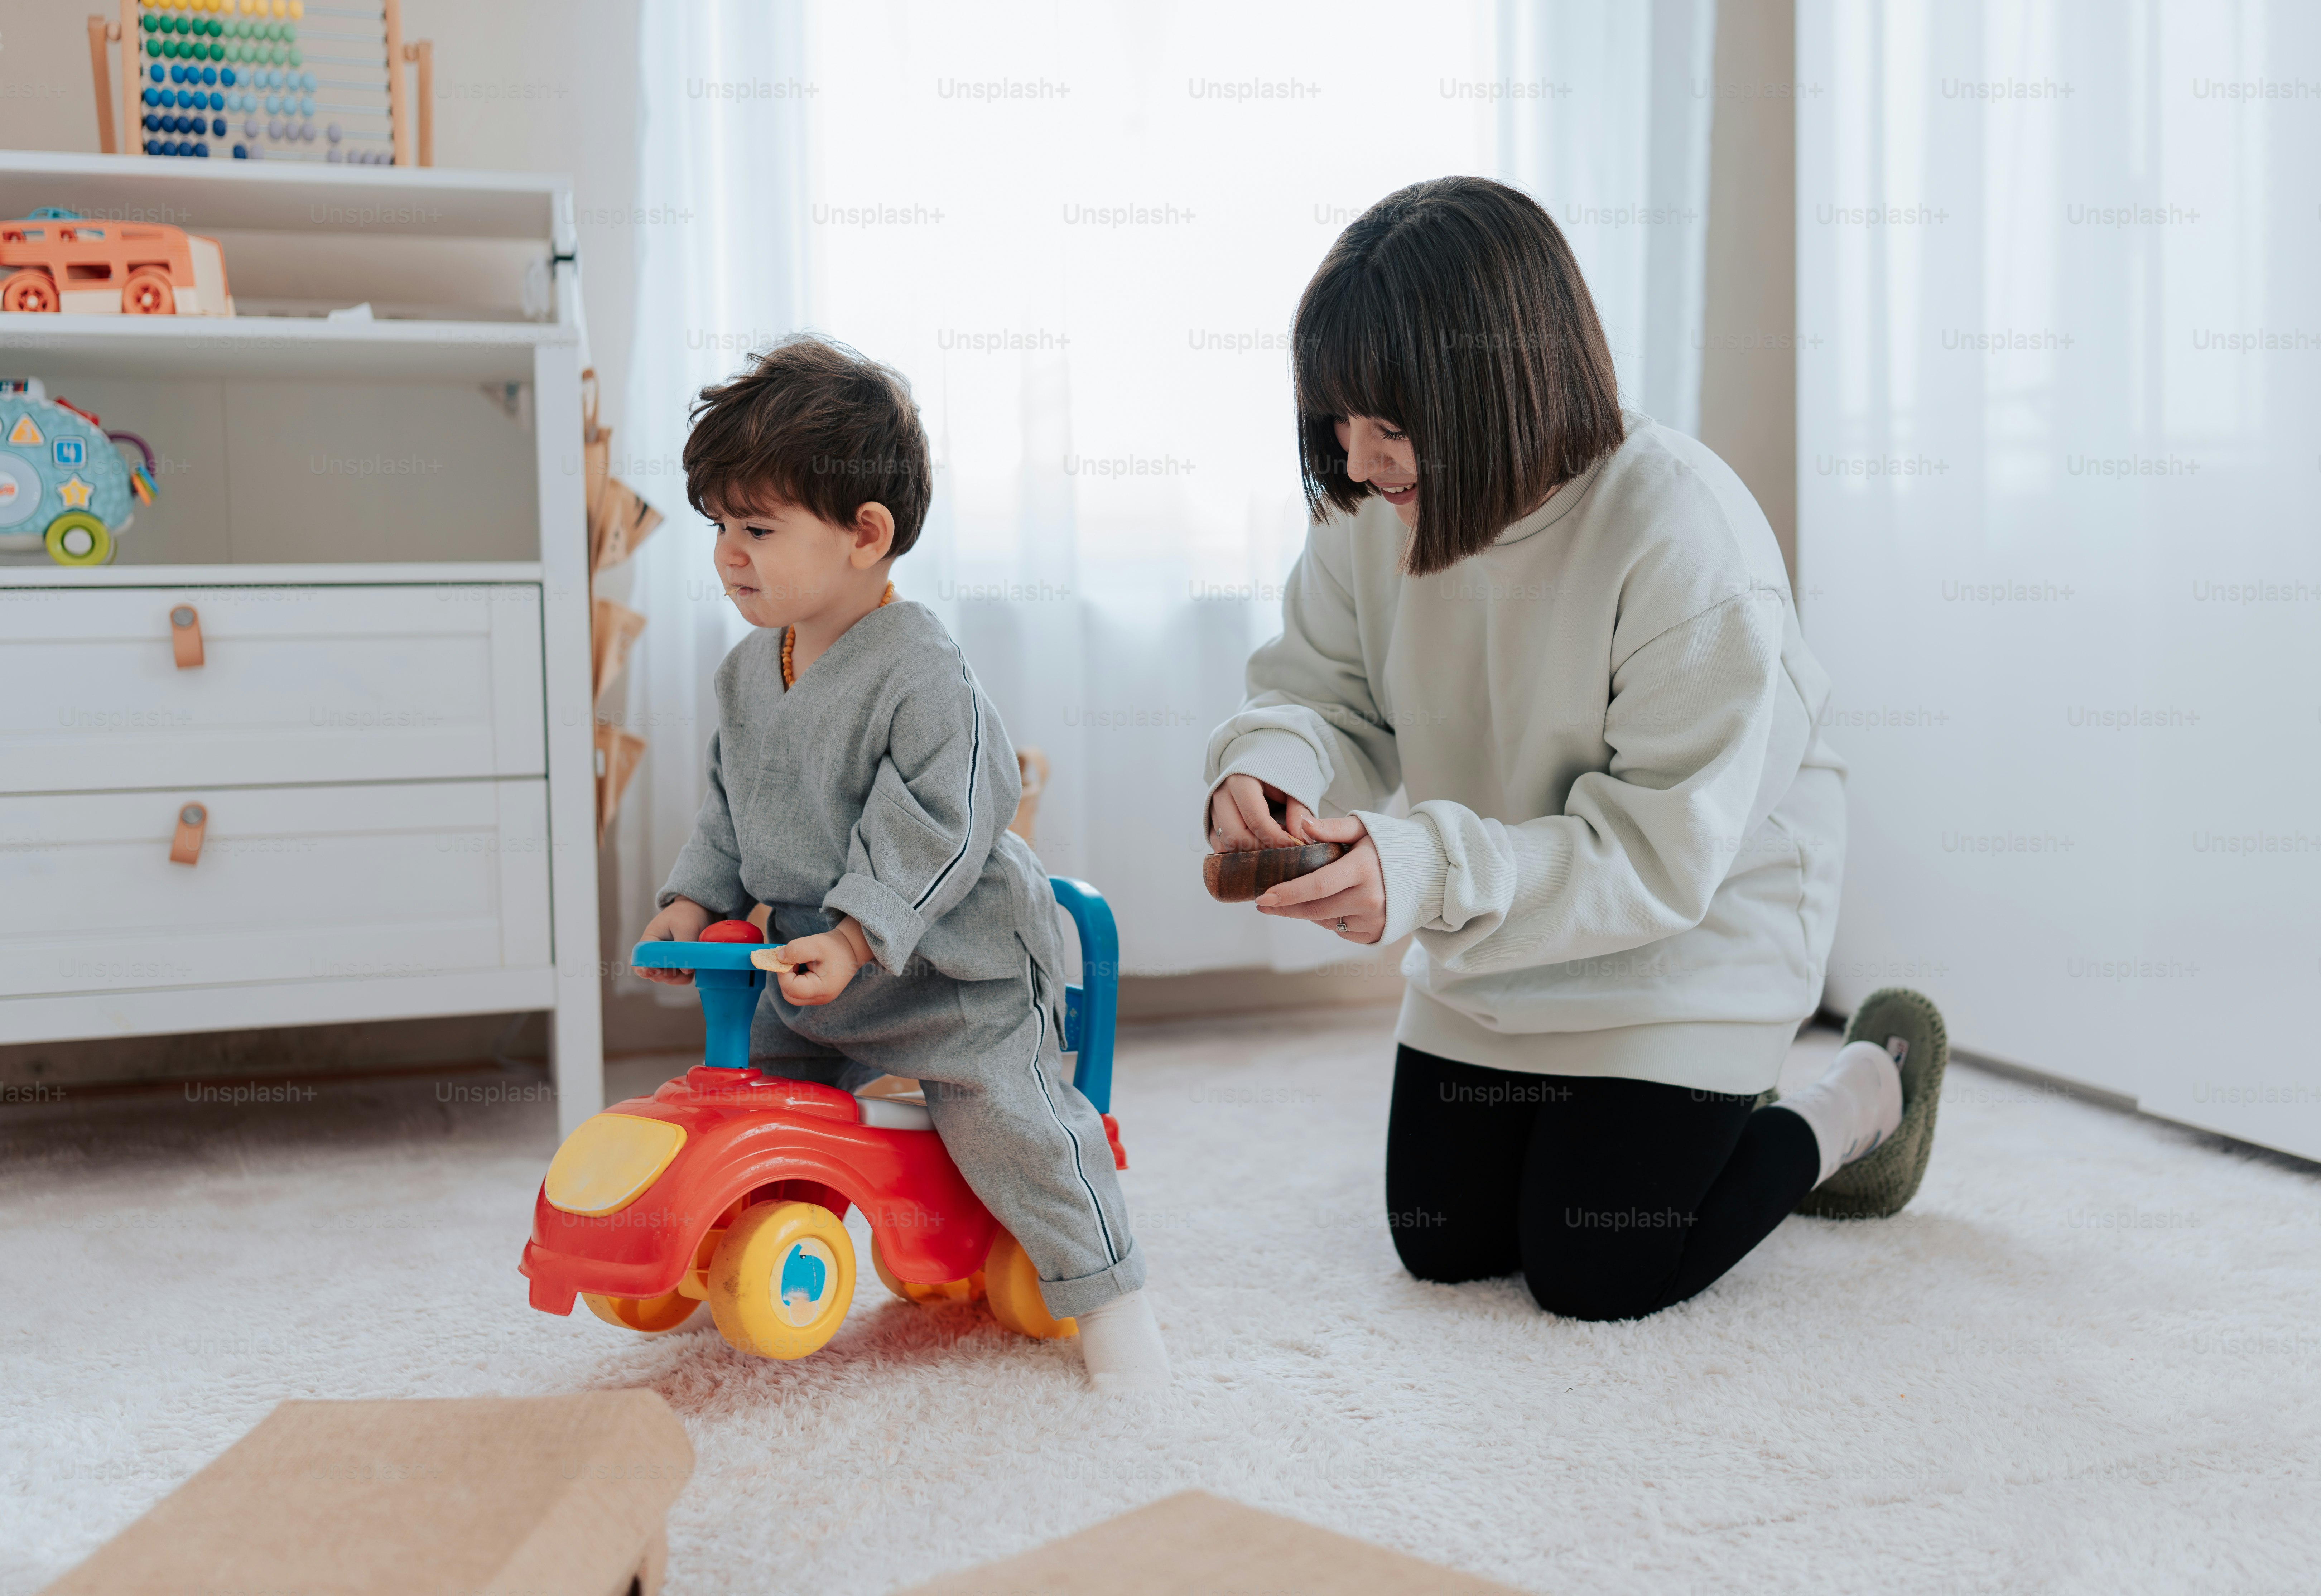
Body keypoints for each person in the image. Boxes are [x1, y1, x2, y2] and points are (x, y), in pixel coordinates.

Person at [1203, 178, 1948, 1322]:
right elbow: (1326, 690)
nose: (1355, 463)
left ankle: (1856, 1099)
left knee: (1595, 1268)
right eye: (1338, 423)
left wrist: (1426, 871)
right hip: (1505, 922)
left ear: (1494, 389)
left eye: (1388, 427)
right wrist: (1270, 769)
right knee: (1443, 1245)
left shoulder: (1684, 537)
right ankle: (1676, 1129)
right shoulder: (1375, 510)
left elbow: (1657, 856)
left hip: (1694, 926)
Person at [637, 337, 1168, 1387]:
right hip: (810, 979)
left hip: (944, 977)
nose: (728, 555)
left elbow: (946, 816)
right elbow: (731, 804)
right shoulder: (753, 670)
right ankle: (730, 1262)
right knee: (739, 1099)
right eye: (718, 529)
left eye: (756, 528)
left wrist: (856, 933)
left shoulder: (923, 673)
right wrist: (693, 901)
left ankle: (1111, 1300)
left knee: (1009, 1120)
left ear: (864, 536)